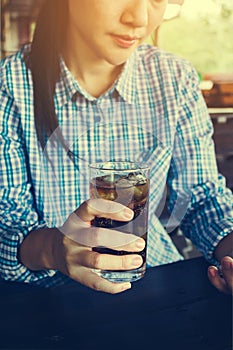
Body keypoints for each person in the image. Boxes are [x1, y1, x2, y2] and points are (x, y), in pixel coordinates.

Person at [0, 0, 232, 295]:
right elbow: (6, 225)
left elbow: (201, 198)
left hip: (153, 289)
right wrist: (53, 250)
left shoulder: (175, 78)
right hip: (41, 306)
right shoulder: (10, 85)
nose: (139, 18)